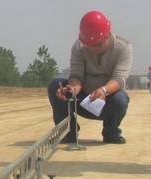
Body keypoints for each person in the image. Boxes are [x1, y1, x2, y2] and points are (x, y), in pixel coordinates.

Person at [48, 11, 132, 144]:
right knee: (56, 85)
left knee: (120, 99)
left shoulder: (122, 48)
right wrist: (70, 91)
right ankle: (68, 133)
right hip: (83, 100)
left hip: (107, 103)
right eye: (89, 45)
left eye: (97, 45)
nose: (93, 49)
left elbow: (119, 78)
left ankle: (111, 133)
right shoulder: (79, 47)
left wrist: (103, 91)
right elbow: (76, 75)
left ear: (107, 36)